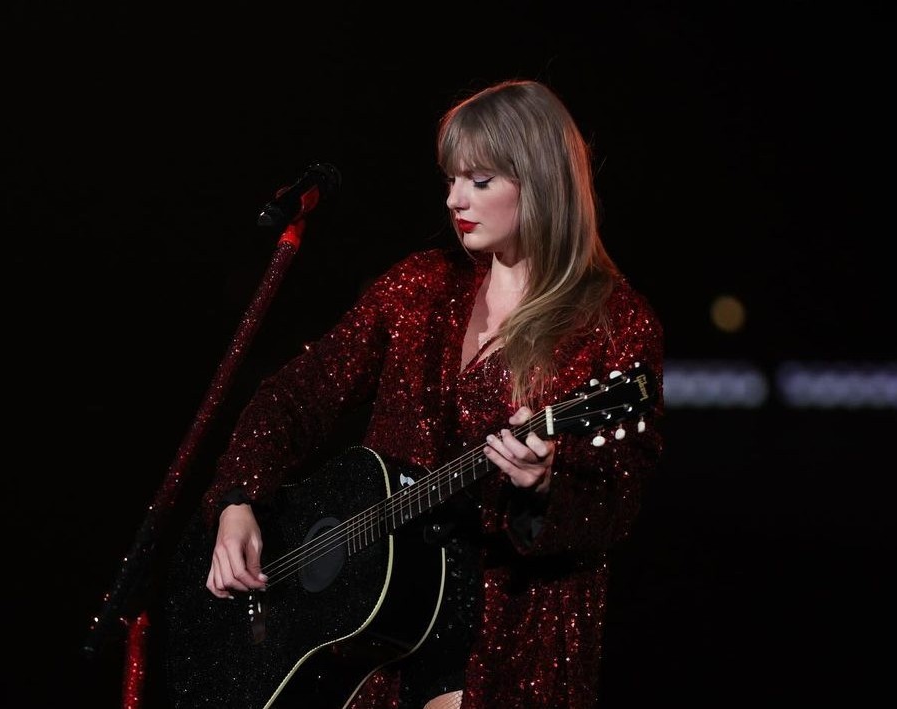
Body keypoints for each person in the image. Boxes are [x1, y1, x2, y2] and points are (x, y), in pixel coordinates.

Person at [168, 78, 664, 709]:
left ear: (540, 182)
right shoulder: (421, 286)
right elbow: (297, 395)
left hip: (507, 634)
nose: (455, 199)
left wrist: (545, 486)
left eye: (479, 180)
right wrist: (238, 499)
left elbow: (619, 498)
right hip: (376, 630)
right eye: (451, 179)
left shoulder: (612, 322)